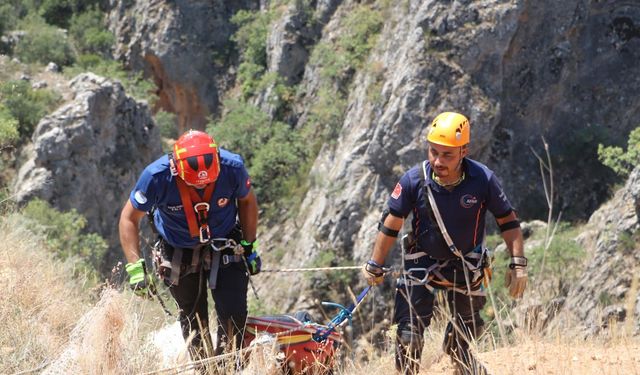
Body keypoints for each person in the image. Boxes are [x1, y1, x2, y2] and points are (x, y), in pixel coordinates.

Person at [362, 112, 527, 375]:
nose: (438, 161)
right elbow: (390, 223)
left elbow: (508, 220)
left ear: (464, 151)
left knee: (467, 331)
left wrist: (518, 263)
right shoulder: (413, 180)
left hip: (467, 265)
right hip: (422, 262)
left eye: (447, 155)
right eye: (433, 152)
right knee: (408, 335)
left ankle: (459, 356)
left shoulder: (482, 179)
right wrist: (375, 264)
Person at [119, 129, 261, 362]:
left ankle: (230, 366)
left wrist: (248, 245)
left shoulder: (232, 167)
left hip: (224, 240)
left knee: (234, 314)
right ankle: (205, 369)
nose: (200, 187)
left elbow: (247, 201)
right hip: (178, 247)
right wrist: (136, 269)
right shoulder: (157, 176)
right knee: (193, 318)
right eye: (194, 184)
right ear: (177, 168)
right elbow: (129, 218)